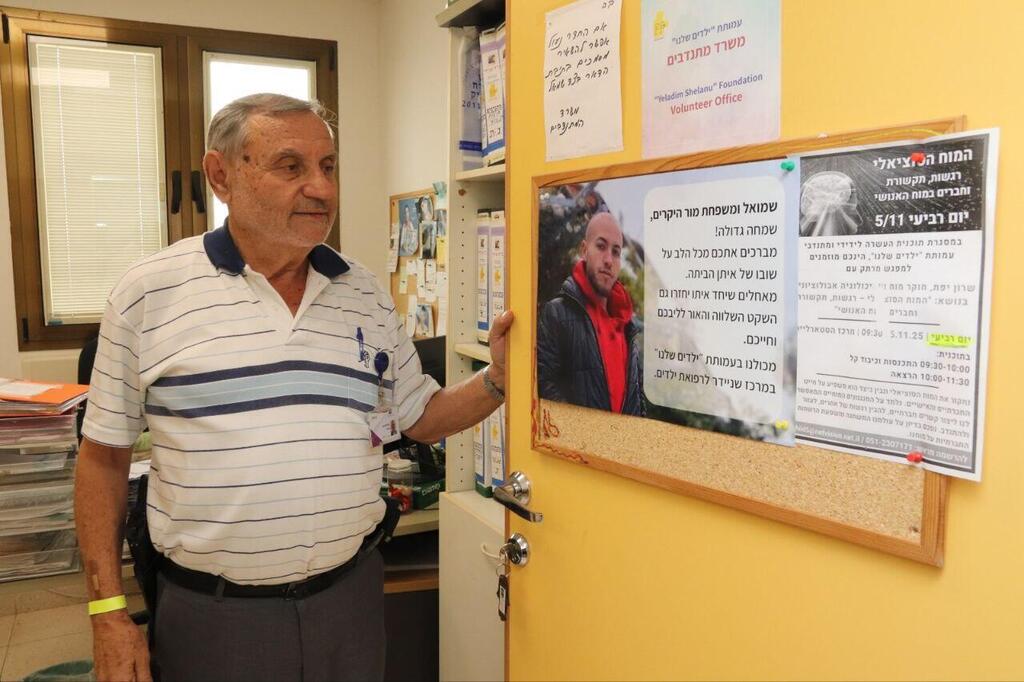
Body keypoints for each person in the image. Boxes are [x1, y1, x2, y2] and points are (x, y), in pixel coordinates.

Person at [74, 93, 513, 682]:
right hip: (216, 616)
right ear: (221, 175)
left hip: (349, 602)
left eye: (328, 167)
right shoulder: (149, 293)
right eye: (291, 167)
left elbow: (422, 415)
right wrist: (106, 610)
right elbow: (103, 458)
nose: (322, 188)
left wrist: (497, 381)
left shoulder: (363, 291)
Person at [537, 211, 643, 415]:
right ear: (584, 250)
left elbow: (637, 399)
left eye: (616, 251)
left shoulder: (627, 326)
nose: (608, 260)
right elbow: (544, 388)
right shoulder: (557, 314)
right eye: (601, 246)